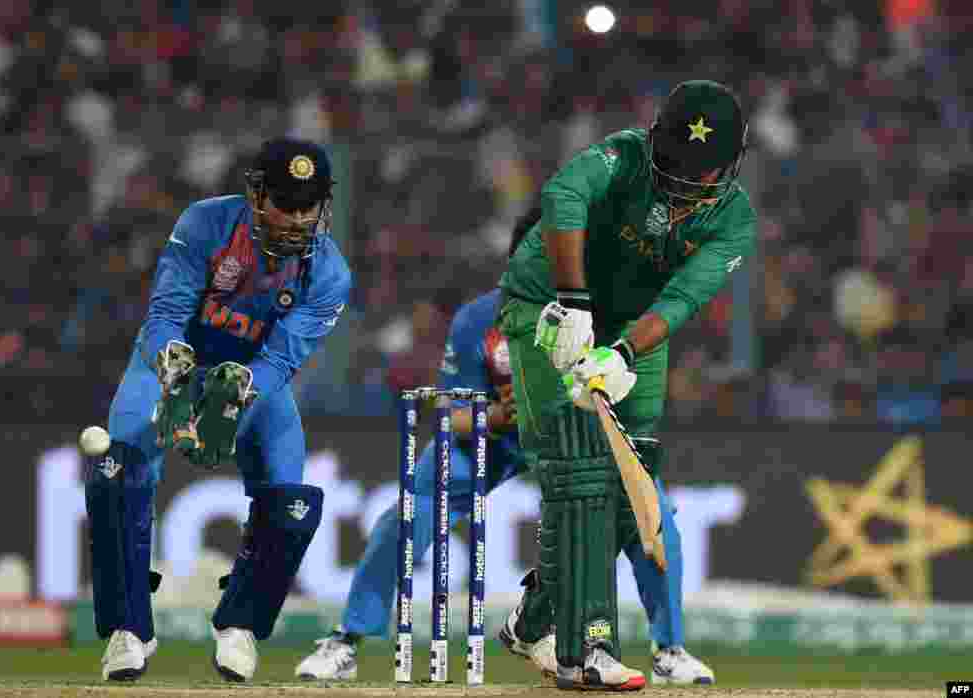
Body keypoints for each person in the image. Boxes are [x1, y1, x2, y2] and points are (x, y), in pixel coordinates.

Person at [294, 207, 711, 687]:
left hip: (579, 439)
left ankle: (669, 647)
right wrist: (496, 414)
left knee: (654, 516)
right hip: (496, 439)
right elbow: (450, 415)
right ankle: (346, 639)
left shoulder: (606, 310)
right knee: (409, 513)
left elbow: (625, 392)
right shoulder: (480, 318)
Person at [497, 80, 756, 690]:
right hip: (546, 302)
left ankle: (532, 622)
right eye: (674, 166)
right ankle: (587, 647)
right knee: (575, 463)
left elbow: (685, 296)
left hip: (633, 331)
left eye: (702, 174)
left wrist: (620, 351)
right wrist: (571, 302)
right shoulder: (623, 154)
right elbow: (562, 194)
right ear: (655, 139)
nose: (684, 185)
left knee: (630, 475)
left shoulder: (736, 221)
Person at [86, 138, 351, 683]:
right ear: (257, 196)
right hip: (169, 366)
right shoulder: (206, 223)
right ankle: (128, 629)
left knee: (293, 502)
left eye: (308, 206)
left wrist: (238, 392)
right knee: (117, 472)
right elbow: (166, 310)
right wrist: (171, 363)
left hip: (252, 380)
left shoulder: (329, 276)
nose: (297, 219)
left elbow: (282, 360)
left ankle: (241, 627)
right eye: (285, 203)